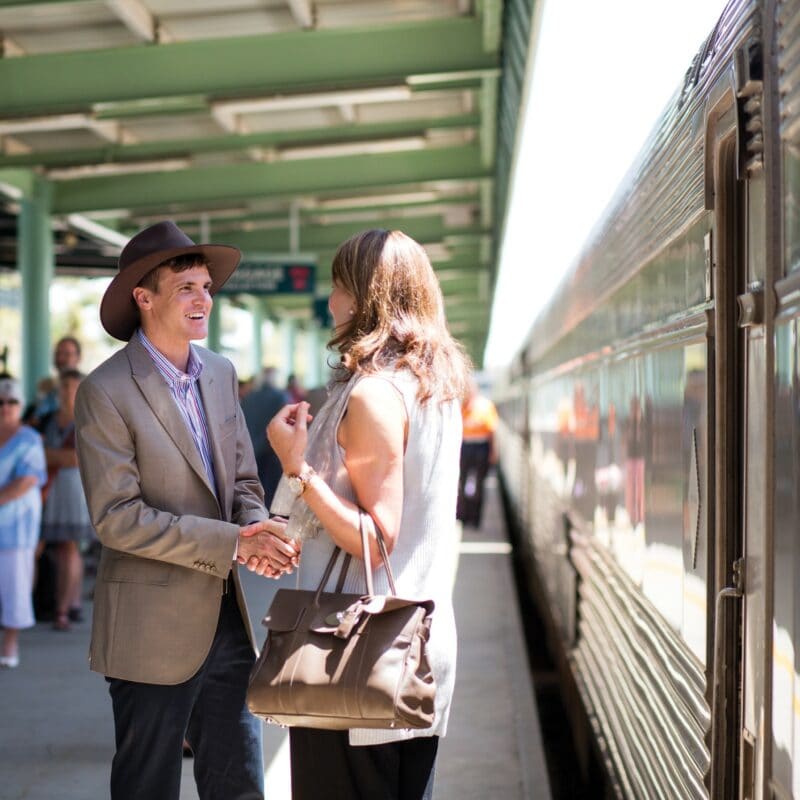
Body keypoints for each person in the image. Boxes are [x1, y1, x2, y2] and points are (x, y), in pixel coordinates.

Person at [73, 220, 300, 800]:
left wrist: (258, 527)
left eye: (206, 287)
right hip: (149, 630)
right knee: (147, 786)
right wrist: (233, 543)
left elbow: (243, 479)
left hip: (226, 618)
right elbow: (116, 517)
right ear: (143, 299)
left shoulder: (221, 374)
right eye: (186, 289)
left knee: (240, 784)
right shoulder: (105, 390)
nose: (204, 300)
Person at [259, 229, 470, 800]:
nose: (330, 303)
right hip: (409, 649)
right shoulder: (434, 391)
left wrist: (299, 470)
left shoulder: (375, 395)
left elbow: (375, 539)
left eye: (338, 287)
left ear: (366, 296)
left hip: (356, 653)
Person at [40, 369, 94, 631]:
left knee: (71, 548)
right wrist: (56, 455)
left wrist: (47, 454)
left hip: (76, 490)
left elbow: (77, 458)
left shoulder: (88, 419)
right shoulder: (48, 419)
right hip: (52, 489)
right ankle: (70, 604)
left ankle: (63, 609)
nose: (69, 392)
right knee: (63, 549)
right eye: (65, 387)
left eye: (74, 387)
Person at [0, 376, 47, 668]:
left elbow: (27, 480)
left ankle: (10, 644)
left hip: (17, 526)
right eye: (0, 402)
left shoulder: (29, 438)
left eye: (12, 401)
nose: (6, 407)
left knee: (15, 586)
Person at [240, 367, 289, 507]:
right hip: (273, 450)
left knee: (256, 487)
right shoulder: (281, 396)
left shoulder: (250, 397)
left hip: (253, 449)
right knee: (272, 490)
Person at [456, 377, 498, 528]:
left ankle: (475, 518)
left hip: (481, 446)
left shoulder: (486, 406)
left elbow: (492, 431)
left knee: (479, 483)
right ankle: (463, 516)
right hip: (465, 446)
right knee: (461, 482)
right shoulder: (462, 407)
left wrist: (493, 451)